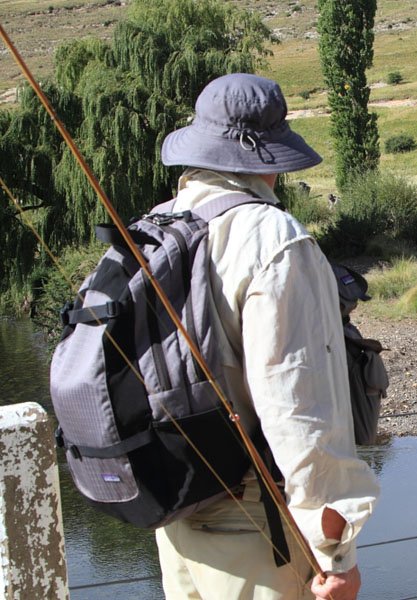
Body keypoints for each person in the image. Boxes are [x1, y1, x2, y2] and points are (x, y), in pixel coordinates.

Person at [154, 73, 380, 600]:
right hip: (257, 520)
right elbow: (299, 410)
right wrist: (336, 555)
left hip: (176, 510)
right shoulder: (275, 239)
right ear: (269, 160)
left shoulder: (161, 224)